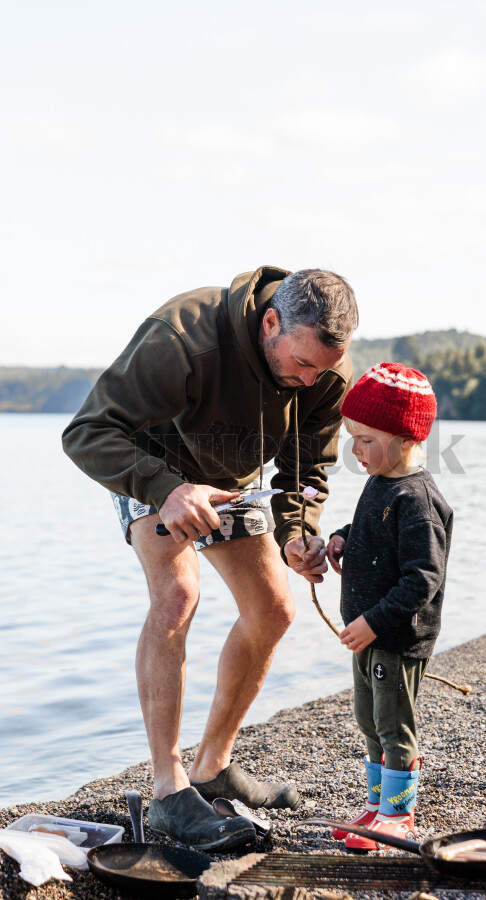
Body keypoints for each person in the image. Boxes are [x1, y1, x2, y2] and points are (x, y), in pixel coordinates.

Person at [62, 266, 358, 850]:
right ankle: (170, 789)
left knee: (275, 610)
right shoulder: (183, 336)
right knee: (178, 595)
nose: (309, 380)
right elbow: (88, 431)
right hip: (149, 468)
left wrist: (299, 533)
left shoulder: (325, 369)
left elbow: (306, 470)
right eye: (301, 363)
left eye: (322, 369)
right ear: (270, 322)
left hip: (231, 479)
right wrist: (167, 489)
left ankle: (212, 768)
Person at [325, 363, 453, 850]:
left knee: (394, 725)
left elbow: (423, 577)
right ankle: (377, 806)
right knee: (368, 720)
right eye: (351, 438)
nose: (354, 450)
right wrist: (343, 537)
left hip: (395, 636)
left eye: (364, 439)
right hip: (368, 632)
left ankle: (399, 817)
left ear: (404, 438)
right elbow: (376, 535)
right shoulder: (381, 481)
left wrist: (374, 623)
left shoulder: (419, 500)